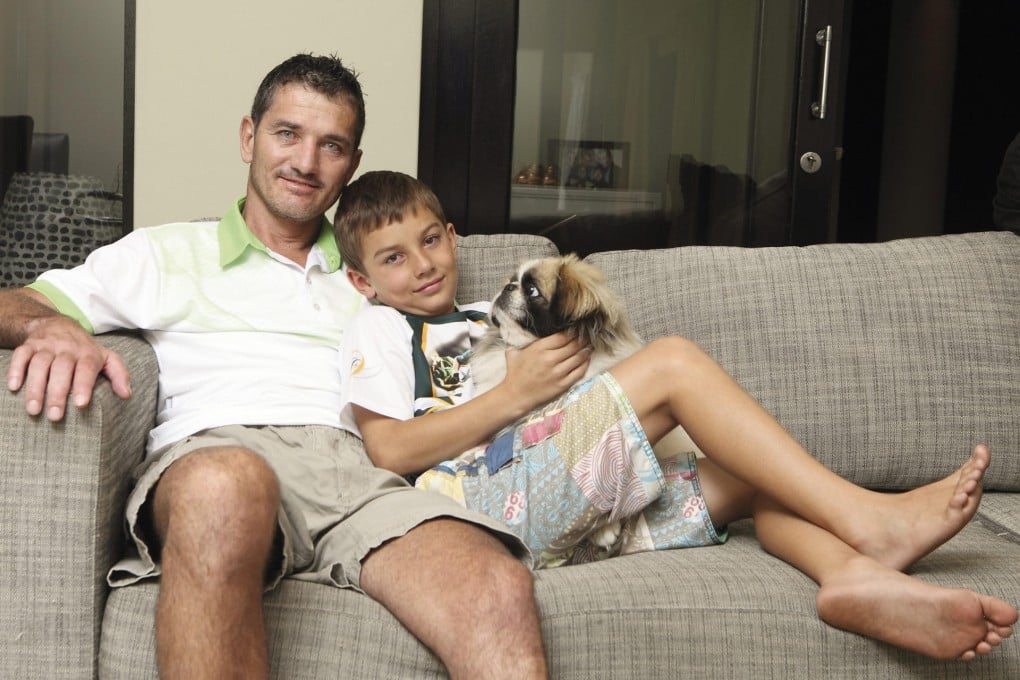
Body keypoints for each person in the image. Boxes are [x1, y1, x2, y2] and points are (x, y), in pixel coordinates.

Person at [0, 55, 556, 680]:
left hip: (358, 474)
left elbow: (456, 352)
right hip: (221, 455)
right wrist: (49, 325)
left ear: (352, 163)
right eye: (287, 134)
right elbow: (12, 302)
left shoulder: (376, 270)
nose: (306, 162)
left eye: (332, 145)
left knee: (495, 584)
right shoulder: (167, 252)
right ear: (249, 136)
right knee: (227, 485)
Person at [333, 170, 1018, 661]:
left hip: (577, 515)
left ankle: (850, 577)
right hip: (482, 506)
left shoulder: (497, 310)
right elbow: (389, 452)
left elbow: (585, 378)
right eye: (394, 258)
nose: (422, 265)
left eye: (431, 240)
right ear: (363, 281)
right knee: (675, 364)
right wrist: (511, 394)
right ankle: (869, 517)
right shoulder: (382, 330)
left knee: (748, 475)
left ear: (453, 235)